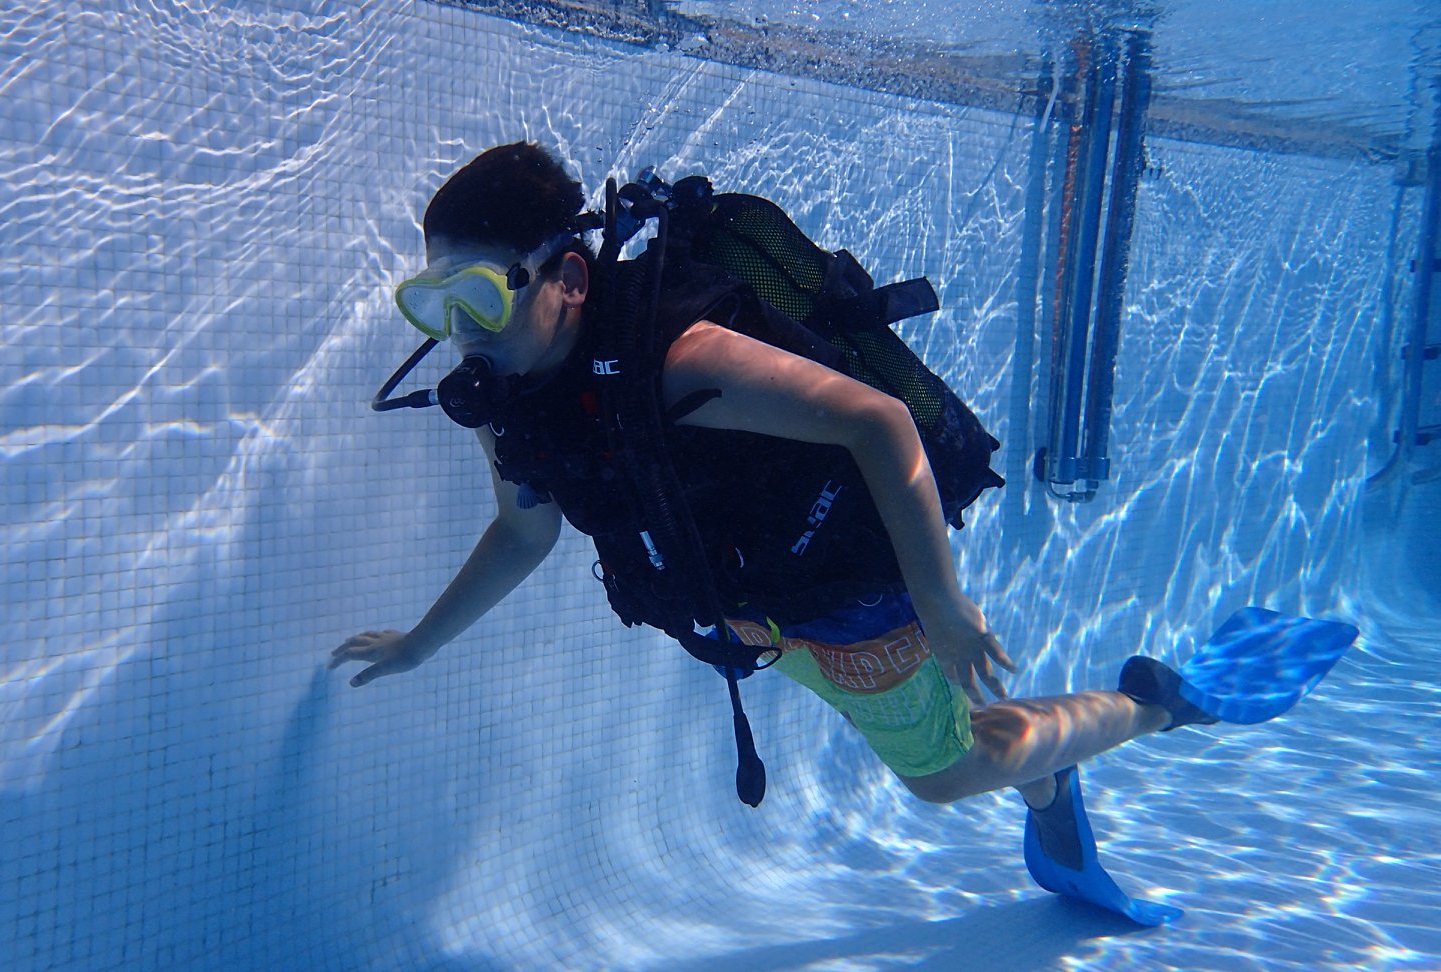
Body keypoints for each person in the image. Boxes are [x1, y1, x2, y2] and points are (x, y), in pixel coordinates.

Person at [330, 142, 1206, 821]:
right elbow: (524, 531)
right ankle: (1047, 784)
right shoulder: (502, 396)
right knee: (955, 749)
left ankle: (1146, 706)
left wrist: (940, 603)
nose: (460, 333)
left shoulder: (673, 359)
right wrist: (420, 643)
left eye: (478, 296)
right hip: (754, 614)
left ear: (568, 276)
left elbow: (879, 420)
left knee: (947, 776)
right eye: (435, 303)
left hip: (850, 602)